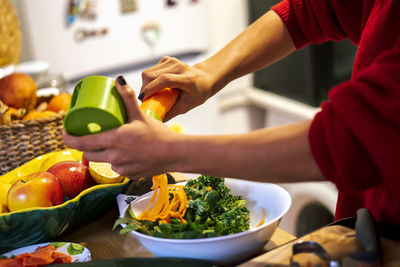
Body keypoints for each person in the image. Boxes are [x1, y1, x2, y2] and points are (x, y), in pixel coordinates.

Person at [63, 0, 400, 227]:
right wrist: (206, 73)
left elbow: (352, 138)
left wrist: (170, 152)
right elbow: (309, 11)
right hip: (366, 221)